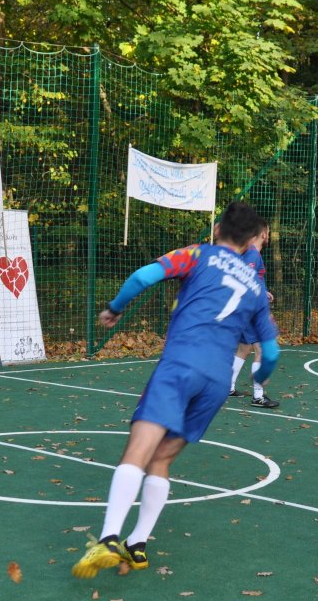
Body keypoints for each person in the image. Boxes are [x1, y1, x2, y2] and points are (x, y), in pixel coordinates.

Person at [72, 201, 280, 579]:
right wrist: (260, 379)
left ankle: (108, 538)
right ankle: (137, 545)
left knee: (137, 451)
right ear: (252, 241)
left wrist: (115, 308)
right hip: (216, 383)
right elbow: (272, 353)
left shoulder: (198, 254)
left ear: (218, 228)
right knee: (162, 460)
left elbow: (141, 278)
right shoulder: (255, 285)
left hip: (180, 366)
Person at [228, 227, 280, 408]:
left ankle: (228, 386)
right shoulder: (252, 254)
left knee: (244, 348)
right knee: (261, 350)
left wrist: (263, 291)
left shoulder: (251, 253)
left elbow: (248, 279)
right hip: (250, 310)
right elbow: (244, 281)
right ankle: (258, 396)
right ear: (263, 234)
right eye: (267, 232)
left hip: (245, 308)